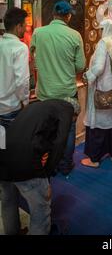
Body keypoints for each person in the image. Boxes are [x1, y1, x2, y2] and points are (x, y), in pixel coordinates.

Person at [0, 99, 75, 235]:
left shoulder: (39, 106)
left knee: (8, 200)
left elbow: (41, 136)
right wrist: (46, 175)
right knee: (41, 211)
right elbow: (60, 144)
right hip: (23, 162)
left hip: (2, 157)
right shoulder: (68, 110)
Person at [30, 0, 86, 175]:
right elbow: (80, 66)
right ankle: (65, 165)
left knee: (47, 130)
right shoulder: (74, 35)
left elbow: (33, 58)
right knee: (68, 131)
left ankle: (48, 167)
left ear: (53, 14)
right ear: (68, 16)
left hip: (45, 94)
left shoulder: (38, 33)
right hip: (67, 94)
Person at [81, 19, 112, 168]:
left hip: (102, 90)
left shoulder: (104, 43)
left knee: (99, 123)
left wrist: (88, 76)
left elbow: (99, 67)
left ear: (105, 29)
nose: (99, 32)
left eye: (101, 29)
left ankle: (94, 159)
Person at [0, 7, 30, 129]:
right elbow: (22, 81)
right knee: (13, 146)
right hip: (11, 108)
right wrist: (25, 101)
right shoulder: (20, 48)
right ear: (18, 27)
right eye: (25, 25)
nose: (26, 29)